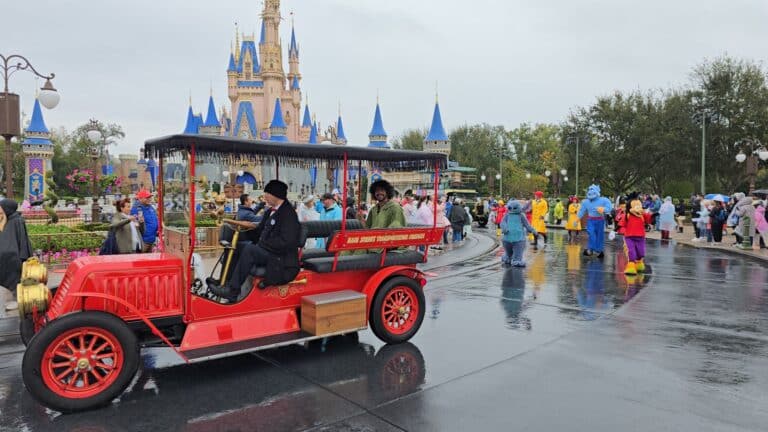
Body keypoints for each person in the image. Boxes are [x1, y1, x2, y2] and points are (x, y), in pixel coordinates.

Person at [208, 180, 300, 301]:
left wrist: (263, 244)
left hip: (279, 256)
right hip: (269, 250)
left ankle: (232, 291)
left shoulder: (289, 214)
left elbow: (286, 241)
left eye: (267, 193)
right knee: (237, 246)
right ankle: (225, 281)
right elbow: (258, 231)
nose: (265, 196)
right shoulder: (269, 212)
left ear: (275, 194)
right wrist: (237, 234)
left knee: (250, 250)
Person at [0, 199, 33, 311]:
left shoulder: (17, 221)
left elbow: (22, 240)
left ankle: (17, 300)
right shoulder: (7, 219)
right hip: (8, 255)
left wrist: (22, 256)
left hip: (15, 256)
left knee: (15, 278)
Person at [577, 184, 613, 258]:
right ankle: (591, 249)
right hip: (591, 221)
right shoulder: (586, 202)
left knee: (599, 236)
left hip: (600, 221)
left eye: (593, 190)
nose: (591, 192)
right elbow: (582, 211)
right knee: (591, 234)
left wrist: (603, 209)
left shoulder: (603, 200)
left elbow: (609, 207)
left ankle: (599, 250)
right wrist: (577, 219)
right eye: (590, 190)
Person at [500, 200, 537, 267]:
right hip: (507, 238)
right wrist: (504, 228)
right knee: (508, 252)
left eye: (514, 208)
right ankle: (508, 257)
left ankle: (517, 260)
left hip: (519, 239)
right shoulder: (507, 215)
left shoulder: (521, 216)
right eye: (510, 208)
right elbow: (502, 223)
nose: (512, 209)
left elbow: (527, 225)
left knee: (518, 252)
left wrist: (532, 230)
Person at [623, 194, 647, 275]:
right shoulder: (628, 215)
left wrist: (654, 215)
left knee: (641, 253)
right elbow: (622, 224)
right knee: (631, 251)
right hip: (629, 237)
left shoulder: (642, 216)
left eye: (639, 205)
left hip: (641, 237)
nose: (637, 208)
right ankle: (631, 266)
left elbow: (649, 219)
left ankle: (639, 263)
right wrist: (616, 230)